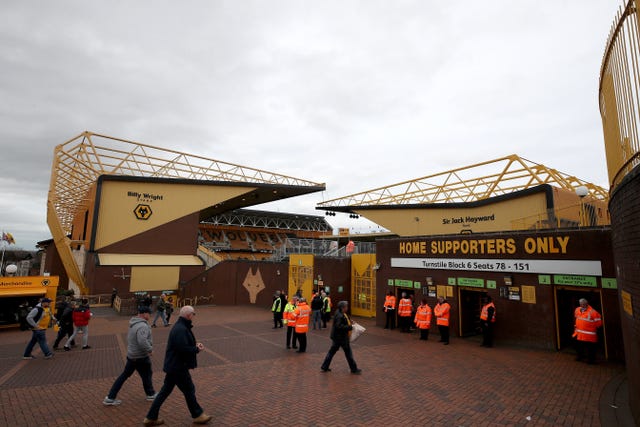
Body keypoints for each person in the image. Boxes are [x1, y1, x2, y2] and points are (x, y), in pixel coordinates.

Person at [143, 306, 212, 426]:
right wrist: (196, 349)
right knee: (189, 389)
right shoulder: (181, 329)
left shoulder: (180, 326)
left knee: (165, 392)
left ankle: (151, 417)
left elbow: (181, 344)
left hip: (174, 366)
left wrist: (194, 344)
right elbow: (182, 349)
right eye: (193, 314)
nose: (194, 316)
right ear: (189, 315)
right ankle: (197, 414)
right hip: (178, 367)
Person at [104, 306, 157, 405]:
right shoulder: (142, 326)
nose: (150, 315)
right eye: (149, 313)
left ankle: (110, 397)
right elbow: (142, 341)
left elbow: (130, 338)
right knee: (146, 374)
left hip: (132, 355)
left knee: (126, 375)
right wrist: (150, 350)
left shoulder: (133, 323)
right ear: (144, 314)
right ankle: (150, 394)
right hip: (140, 356)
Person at [320, 301, 361, 374]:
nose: (347, 308)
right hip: (341, 338)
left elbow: (345, 319)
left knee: (332, 352)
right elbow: (339, 326)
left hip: (337, 338)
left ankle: (324, 366)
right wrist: (350, 327)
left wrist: (350, 321)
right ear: (343, 308)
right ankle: (354, 369)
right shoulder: (339, 315)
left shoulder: (341, 313)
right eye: (346, 307)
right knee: (348, 353)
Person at [573, 298, 602, 364]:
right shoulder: (577, 309)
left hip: (589, 335)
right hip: (579, 334)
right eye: (581, 304)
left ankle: (591, 360)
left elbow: (599, 324)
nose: (582, 305)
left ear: (586, 304)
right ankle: (580, 357)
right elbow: (576, 318)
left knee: (590, 349)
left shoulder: (593, 312)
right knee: (579, 347)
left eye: (583, 304)